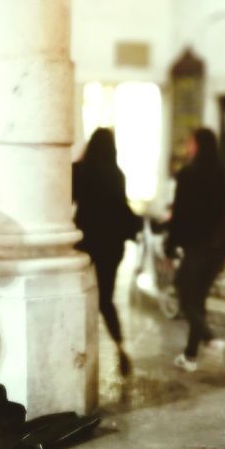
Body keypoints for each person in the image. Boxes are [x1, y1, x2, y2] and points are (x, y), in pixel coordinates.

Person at [72, 127, 141, 376]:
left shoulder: (81, 171)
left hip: (88, 244)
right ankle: (120, 345)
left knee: (82, 296)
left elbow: (68, 197)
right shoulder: (117, 174)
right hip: (113, 246)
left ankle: (79, 349)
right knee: (106, 299)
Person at [166, 127, 225, 373]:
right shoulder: (221, 172)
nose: (188, 146)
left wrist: (170, 245)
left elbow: (179, 214)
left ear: (199, 145)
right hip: (217, 246)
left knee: (184, 294)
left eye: (190, 142)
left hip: (197, 246)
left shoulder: (188, 174)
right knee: (198, 298)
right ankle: (190, 356)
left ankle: (209, 339)